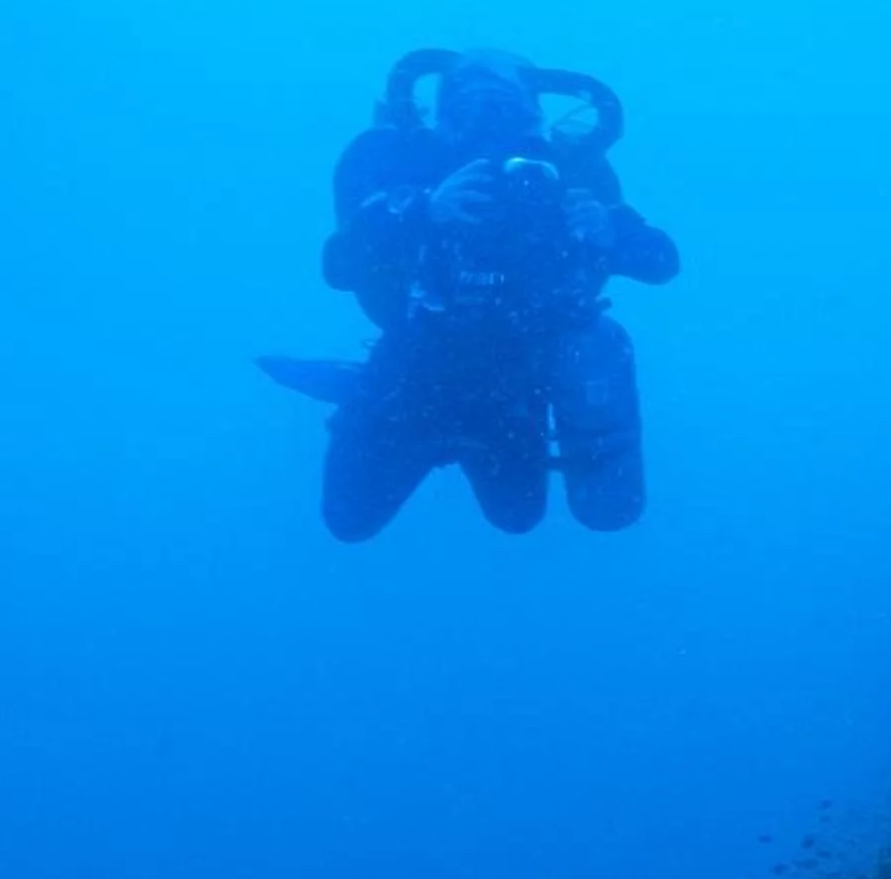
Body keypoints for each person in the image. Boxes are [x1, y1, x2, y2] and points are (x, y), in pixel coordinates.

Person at [261, 47, 679, 541]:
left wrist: (610, 230)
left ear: (533, 114)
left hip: (512, 388)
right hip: (410, 373)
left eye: (508, 104)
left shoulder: (566, 175)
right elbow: (338, 265)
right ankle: (357, 390)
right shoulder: (402, 165)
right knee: (349, 522)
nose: (488, 120)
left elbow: (662, 262)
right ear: (440, 114)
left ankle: (387, 403)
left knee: (516, 519)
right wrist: (424, 210)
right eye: (466, 103)